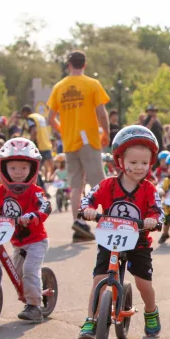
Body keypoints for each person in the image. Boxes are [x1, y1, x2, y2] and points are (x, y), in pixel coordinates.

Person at [78, 126, 164, 339]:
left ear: (150, 163)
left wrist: (154, 220)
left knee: (143, 283)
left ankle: (151, 311)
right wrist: (87, 209)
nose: (139, 167)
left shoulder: (149, 189)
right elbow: (88, 198)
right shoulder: (108, 185)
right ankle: (91, 320)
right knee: (99, 279)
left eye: (144, 163)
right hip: (110, 239)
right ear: (120, 162)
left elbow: (158, 210)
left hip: (139, 241)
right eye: (133, 163)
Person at [0, 140, 51, 322]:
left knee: (30, 270)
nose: (18, 172)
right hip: (17, 242)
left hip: (36, 241)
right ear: (4, 168)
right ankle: (30, 297)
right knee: (17, 274)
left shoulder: (35, 191)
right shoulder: (2, 190)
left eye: (23, 168)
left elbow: (45, 205)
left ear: (32, 169)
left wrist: (34, 216)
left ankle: (35, 307)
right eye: (13, 168)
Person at [47, 51, 109, 241]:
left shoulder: (60, 87)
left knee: (76, 185)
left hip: (70, 141)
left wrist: (63, 131)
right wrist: (106, 132)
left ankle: (78, 222)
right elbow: (101, 112)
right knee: (99, 182)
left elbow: (50, 118)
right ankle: (108, 221)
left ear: (68, 65)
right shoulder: (92, 84)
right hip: (88, 139)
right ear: (85, 65)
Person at [21, 105, 54, 181]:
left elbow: (34, 131)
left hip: (39, 144)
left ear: (26, 112)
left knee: (36, 166)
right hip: (46, 142)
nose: (23, 116)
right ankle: (50, 178)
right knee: (49, 162)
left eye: (23, 114)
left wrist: (29, 142)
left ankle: (34, 181)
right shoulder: (39, 117)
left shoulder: (30, 118)